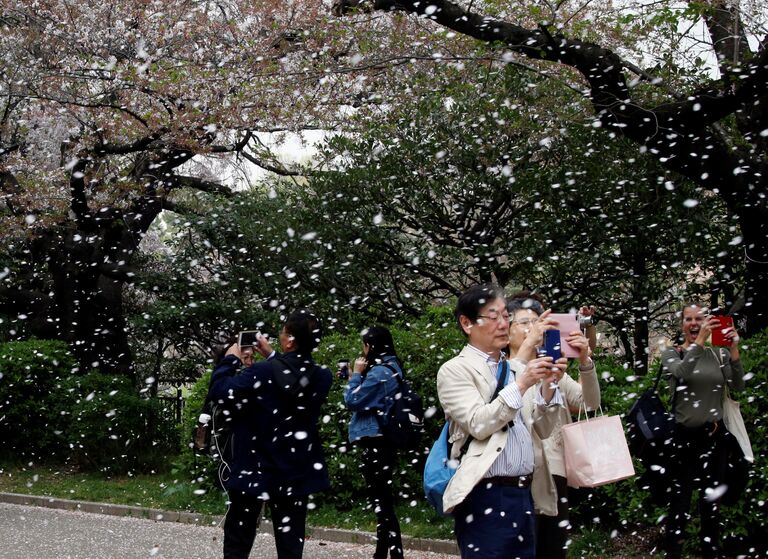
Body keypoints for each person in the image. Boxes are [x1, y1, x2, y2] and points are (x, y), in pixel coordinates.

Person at [437, 284, 564, 559]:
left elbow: (541, 429)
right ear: (467, 323)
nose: (502, 324)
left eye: (506, 316)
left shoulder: (516, 367)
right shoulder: (455, 370)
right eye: (493, 317)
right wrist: (521, 385)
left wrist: (549, 385)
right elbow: (478, 423)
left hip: (524, 493)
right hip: (485, 495)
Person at [208, 308, 332, 559]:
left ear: (289, 340)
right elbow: (293, 377)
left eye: (283, 332)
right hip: (294, 471)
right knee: (290, 543)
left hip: (255, 466)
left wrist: (231, 360)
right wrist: (274, 355)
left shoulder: (262, 372)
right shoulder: (321, 377)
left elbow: (220, 393)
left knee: (238, 540)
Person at [506, 292, 600, 559]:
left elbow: (588, 402)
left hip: (555, 471)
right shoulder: (501, 371)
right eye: (524, 323)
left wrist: (584, 361)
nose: (533, 328)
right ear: (506, 329)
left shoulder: (554, 367)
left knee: (553, 549)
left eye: (537, 322)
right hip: (518, 475)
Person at [661, 304, 745, 559]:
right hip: (684, 438)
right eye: (689, 319)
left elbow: (738, 386)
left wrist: (732, 350)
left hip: (714, 437)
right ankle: (673, 552)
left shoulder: (717, 355)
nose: (694, 322)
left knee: (711, 502)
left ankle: (711, 551)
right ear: (682, 324)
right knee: (680, 502)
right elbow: (682, 374)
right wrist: (699, 341)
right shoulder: (672, 354)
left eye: (699, 318)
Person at [344, 326, 406, 559]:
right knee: (382, 500)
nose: (363, 350)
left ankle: (393, 553)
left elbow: (353, 400)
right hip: (384, 441)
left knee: (382, 502)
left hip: (376, 442)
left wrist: (357, 375)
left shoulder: (380, 372)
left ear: (371, 346)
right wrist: (356, 377)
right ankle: (382, 552)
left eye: (364, 345)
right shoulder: (392, 366)